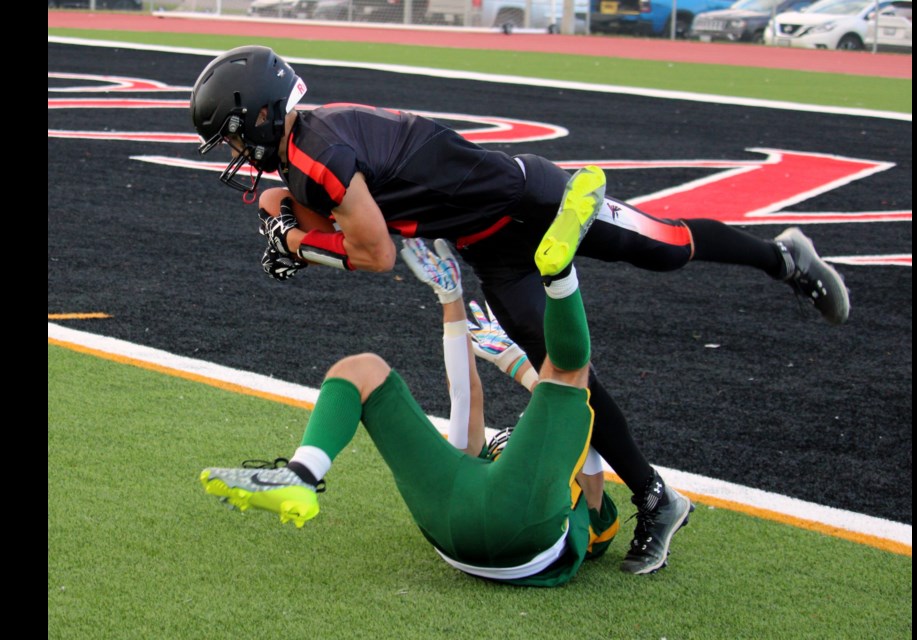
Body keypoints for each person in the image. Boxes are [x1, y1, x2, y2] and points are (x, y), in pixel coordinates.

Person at [189, 45, 845, 575]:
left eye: (235, 138)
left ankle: (783, 258)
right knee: (566, 373)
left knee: (665, 248)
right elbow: (319, 212)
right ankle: (654, 496)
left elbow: (375, 252)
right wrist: (292, 227)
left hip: (534, 198)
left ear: (263, 116)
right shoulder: (308, 152)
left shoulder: (319, 151)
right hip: (490, 244)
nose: (237, 155)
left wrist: (300, 244)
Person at [199, 166, 639, 586]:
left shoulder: (492, 458)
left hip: (448, 526)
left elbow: (475, 400)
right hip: (516, 540)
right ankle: (559, 274)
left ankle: (304, 471)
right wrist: (474, 322)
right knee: (568, 373)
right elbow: (576, 417)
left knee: (359, 372)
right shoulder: (532, 471)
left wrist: (469, 318)